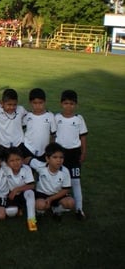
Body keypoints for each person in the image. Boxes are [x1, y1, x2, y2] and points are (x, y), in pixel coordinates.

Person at [55, 90, 88, 220]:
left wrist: (83, 152)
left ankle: (79, 209)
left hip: (74, 154)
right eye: (66, 103)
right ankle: (57, 207)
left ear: (76, 105)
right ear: (61, 104)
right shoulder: (57, 118)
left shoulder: (79, 119)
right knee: (59, 181)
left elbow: (83, 137)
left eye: (72, 104)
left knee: (75, 181)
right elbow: (52, 135)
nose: (69, 106)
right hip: (60, 154)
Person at [28, 143, 75, 221]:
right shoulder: (40, 166)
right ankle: (40, 212)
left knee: (71, 202)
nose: (59, 160)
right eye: (55, 157)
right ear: (47, 159)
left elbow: (65, 189)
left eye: (61, 157)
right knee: (40, 204)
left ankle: (56, 210)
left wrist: (51, 199)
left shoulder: (65, 171)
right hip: (42, 194)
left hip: (57, 195)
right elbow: (28, 159)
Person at [3, 147, 37, 231]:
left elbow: (32, 185)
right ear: (6, 163)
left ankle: (31, 221)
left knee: (30, 193)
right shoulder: (5, 169)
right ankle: (19, 209)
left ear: (22, 160)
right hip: (11, 195)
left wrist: (17, 189)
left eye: (18, 159)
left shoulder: (26, 169)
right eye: (12, 161)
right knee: (11, 212)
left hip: (23, 193)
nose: (15, 163)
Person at [21, 88, 56, 161]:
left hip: (44, 151)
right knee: (28, 171)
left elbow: (53, 135)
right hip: (28, 148)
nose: (38, 106)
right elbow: (18, 128)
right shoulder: (28, 116)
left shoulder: (50, 116)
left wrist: (51, 150)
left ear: (45, 102)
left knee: (42, 171)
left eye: (40, 103)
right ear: (30, 103)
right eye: (35, 103)